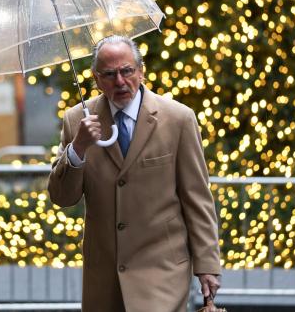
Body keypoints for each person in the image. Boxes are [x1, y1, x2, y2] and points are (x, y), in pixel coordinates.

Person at [48, 35, 221, 312]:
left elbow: (196, 197)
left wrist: (207, 264)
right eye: (109, 74)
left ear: (141, 71)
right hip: (104, 277)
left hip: (162, 272)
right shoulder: (76, 120)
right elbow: (62, 197)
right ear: (96, 79)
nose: (119, 81)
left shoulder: (179, 119)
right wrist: (78, 147)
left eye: (127, 71)